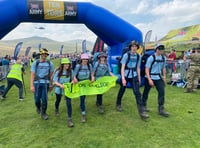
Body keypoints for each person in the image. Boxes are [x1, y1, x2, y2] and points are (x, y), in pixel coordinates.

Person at [116, 41, 149, 119]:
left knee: (137, 93)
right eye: (133, 46)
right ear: (130, 47)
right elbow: (123, 67)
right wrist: (123, 78)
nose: (134, 48)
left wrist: (139, 78)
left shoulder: (138, 56)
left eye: (135, 47)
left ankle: (141, 112)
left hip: (134, 76)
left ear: (137, 48)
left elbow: (138, 67)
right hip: (126, 75)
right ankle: (118, 103)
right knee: (122, 89)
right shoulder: (126, 55)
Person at [141, 44, 169, 117]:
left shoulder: (163, 58)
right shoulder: (151, 58)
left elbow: (163, 68)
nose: (161, 51)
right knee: (146, 92)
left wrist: (164, 77)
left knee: (162, 92)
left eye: (162, 49)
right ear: (156, 49)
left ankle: (161, 109)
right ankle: (143, 105)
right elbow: (147, 69)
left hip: (158, 76)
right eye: (159, 49)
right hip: (149, 76)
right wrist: (149, 79)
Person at [30, 48, 54, 120]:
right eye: (42, 54)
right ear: (40, 55)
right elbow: (32, 74)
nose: (44, 56)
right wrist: (31, 85)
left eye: (45, 54)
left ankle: (44, 113)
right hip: (36, 83)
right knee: (37, 100)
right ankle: (38, 107)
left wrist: (51, 85)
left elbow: (51, 75)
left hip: (46, 83)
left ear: (47, 55)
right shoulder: (36, 63)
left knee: (44, 99)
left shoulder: (50, 63)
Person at [53, 58, 74, 127]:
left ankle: (69, 119)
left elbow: (73, 79)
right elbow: (55, 81)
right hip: (59, 89)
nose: (67, 65)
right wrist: (60, 85)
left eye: (68, 64)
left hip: (67, 90)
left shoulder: (70, 71)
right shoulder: (58, 72)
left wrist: (72, 82)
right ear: (62, 65)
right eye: (65, 64)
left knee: (69, 103)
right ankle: (56, 108)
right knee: (58, 101)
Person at [73, 53, 92, 123]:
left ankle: (81, 105)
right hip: (80, 83)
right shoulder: (78, 66)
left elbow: (92, 72)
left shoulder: (89, 66)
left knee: (84, 96)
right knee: (82, 97)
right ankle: (83, 113)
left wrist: (92, 77)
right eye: (84, 59)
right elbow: (74, 74)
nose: (85, 60)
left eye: (86, 59)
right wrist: (74, 79)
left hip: (86, 83)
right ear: (81, 59)